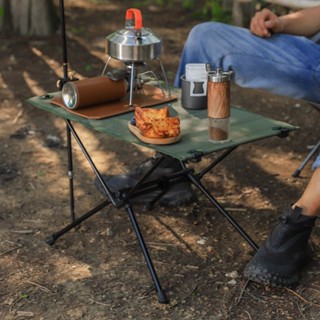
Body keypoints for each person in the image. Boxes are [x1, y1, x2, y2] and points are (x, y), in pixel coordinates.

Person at [173, 7, 320, 288]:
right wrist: (281, 22)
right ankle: (169, 167)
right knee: (206, 36)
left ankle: (292, 234)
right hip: (313, 59)